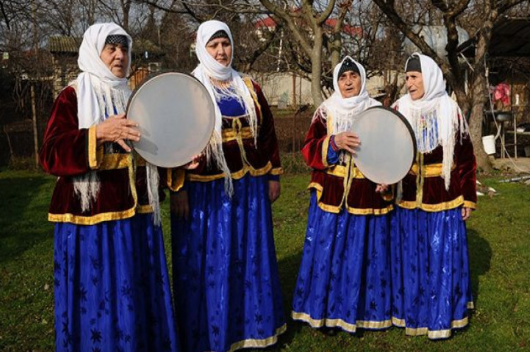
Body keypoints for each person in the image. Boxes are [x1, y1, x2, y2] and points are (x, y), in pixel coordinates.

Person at [39, 23, 179, 352]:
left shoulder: (136, 98)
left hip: (137, 218)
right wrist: (96, 134)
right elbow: (49, 155)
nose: (119, 55)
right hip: (89, 222)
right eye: (111, 48)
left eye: (124, 49)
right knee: (97, 294)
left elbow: (150, 156)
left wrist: (177, 158)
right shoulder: (72, 95)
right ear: (94, 51)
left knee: (136, 292)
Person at [169, 20, 285, 352]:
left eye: (226, 44)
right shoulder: (189, 88)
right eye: (214, 45)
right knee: (211, 261)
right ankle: (210, 333)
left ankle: (254, 329)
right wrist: (178, 187)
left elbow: (267, 134)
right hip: (206, 192)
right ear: (201, 48)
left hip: (250, 188)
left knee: (250, 257)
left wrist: (273, 175)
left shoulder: (249, 87)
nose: (221, 51)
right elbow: (172, 142)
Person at [292, 56, 394, 334]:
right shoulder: (326, 111)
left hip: (367, 195)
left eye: (353, 76)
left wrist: (388, 178)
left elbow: (391, 152)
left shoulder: (377, 112)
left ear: (362, 79)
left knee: (364, 254)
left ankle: (363, 313)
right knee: (328, 253)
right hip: (332, 195)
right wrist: (333, 142)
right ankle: (326, 310)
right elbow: (308, 150)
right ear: (336, 82)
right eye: (342, 77)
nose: (348, 82)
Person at [390, 53, 477, 339]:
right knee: (412, 257)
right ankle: (414, 314)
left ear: (429, 77)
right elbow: (388, 153)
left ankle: (442, 315)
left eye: (414, 77)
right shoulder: (398, 109)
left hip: (444, 196)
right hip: (408, 198)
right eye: (406, 78)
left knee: (441, 256)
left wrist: (468, 196)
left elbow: (465, 158)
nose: (409, 83)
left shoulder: (449, 109)